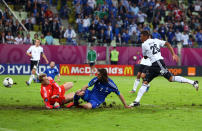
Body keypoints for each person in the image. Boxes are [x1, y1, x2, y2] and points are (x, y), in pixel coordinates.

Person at [129, 31, 199, 107]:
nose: (140, 38)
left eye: (141, 36)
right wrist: (173, 54)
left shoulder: (144, 44)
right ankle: (136, 101)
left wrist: (149, 55)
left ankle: (193, 82)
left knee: (171, 78)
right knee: (145, 82)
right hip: (155, 64)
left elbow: (145, 57)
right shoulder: (156, 40)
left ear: (146, 36)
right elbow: (167, 44)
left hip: (158, 64)